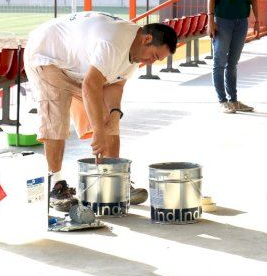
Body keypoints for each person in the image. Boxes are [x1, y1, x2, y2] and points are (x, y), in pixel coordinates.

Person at [24, 12, 177, 210]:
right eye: (154, 56)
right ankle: (55, 185)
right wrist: (98, 131)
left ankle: (114, 180)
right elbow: (91, 85)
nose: (151, 62)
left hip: (77, 67)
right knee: (57, 120)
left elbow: (115, 85)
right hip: (47, 55)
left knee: (110, 122)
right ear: (147, 39)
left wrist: (114, 115)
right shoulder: (113, 43)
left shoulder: (135, 50)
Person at [207, 0, 261, 113]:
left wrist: (257, 19)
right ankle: (222, 100)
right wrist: (210, 20)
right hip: (222, 20)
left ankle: (234, 100)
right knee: (219, 61)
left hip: (241, 21)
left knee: (233, 63)